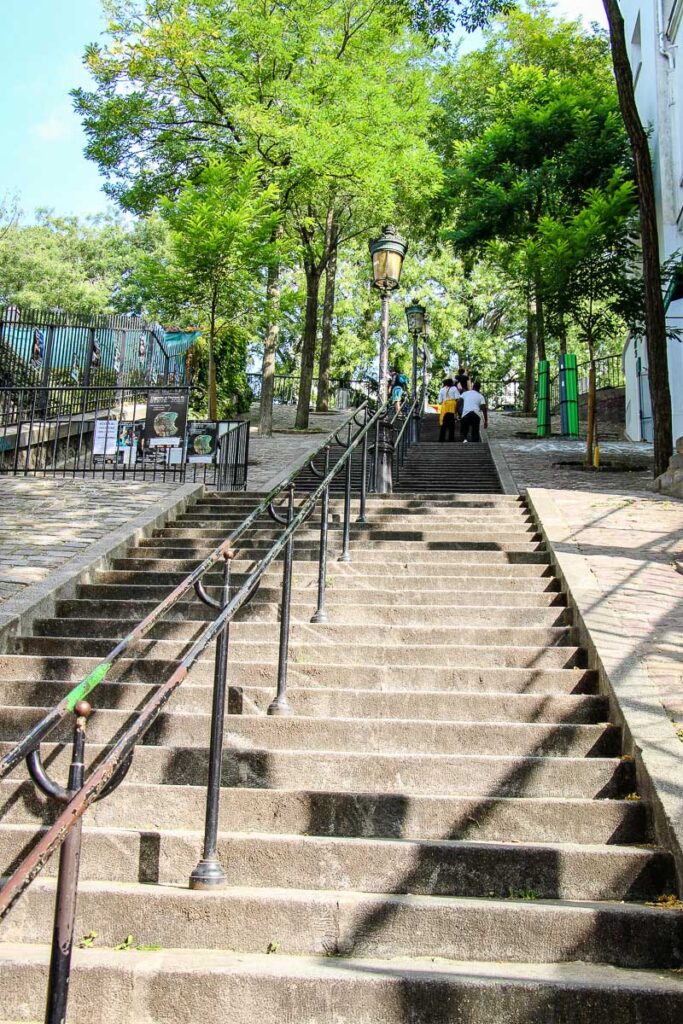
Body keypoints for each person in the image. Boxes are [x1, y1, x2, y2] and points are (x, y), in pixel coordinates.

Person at [438, 377, 459, 442]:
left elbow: (439, 401)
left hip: (445, 407)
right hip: (452, 407)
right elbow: (457, 397)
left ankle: (441, 438)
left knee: (444, 423)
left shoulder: (442, 390)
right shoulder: (454, 388)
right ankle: (451, 438)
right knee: (452, 423)